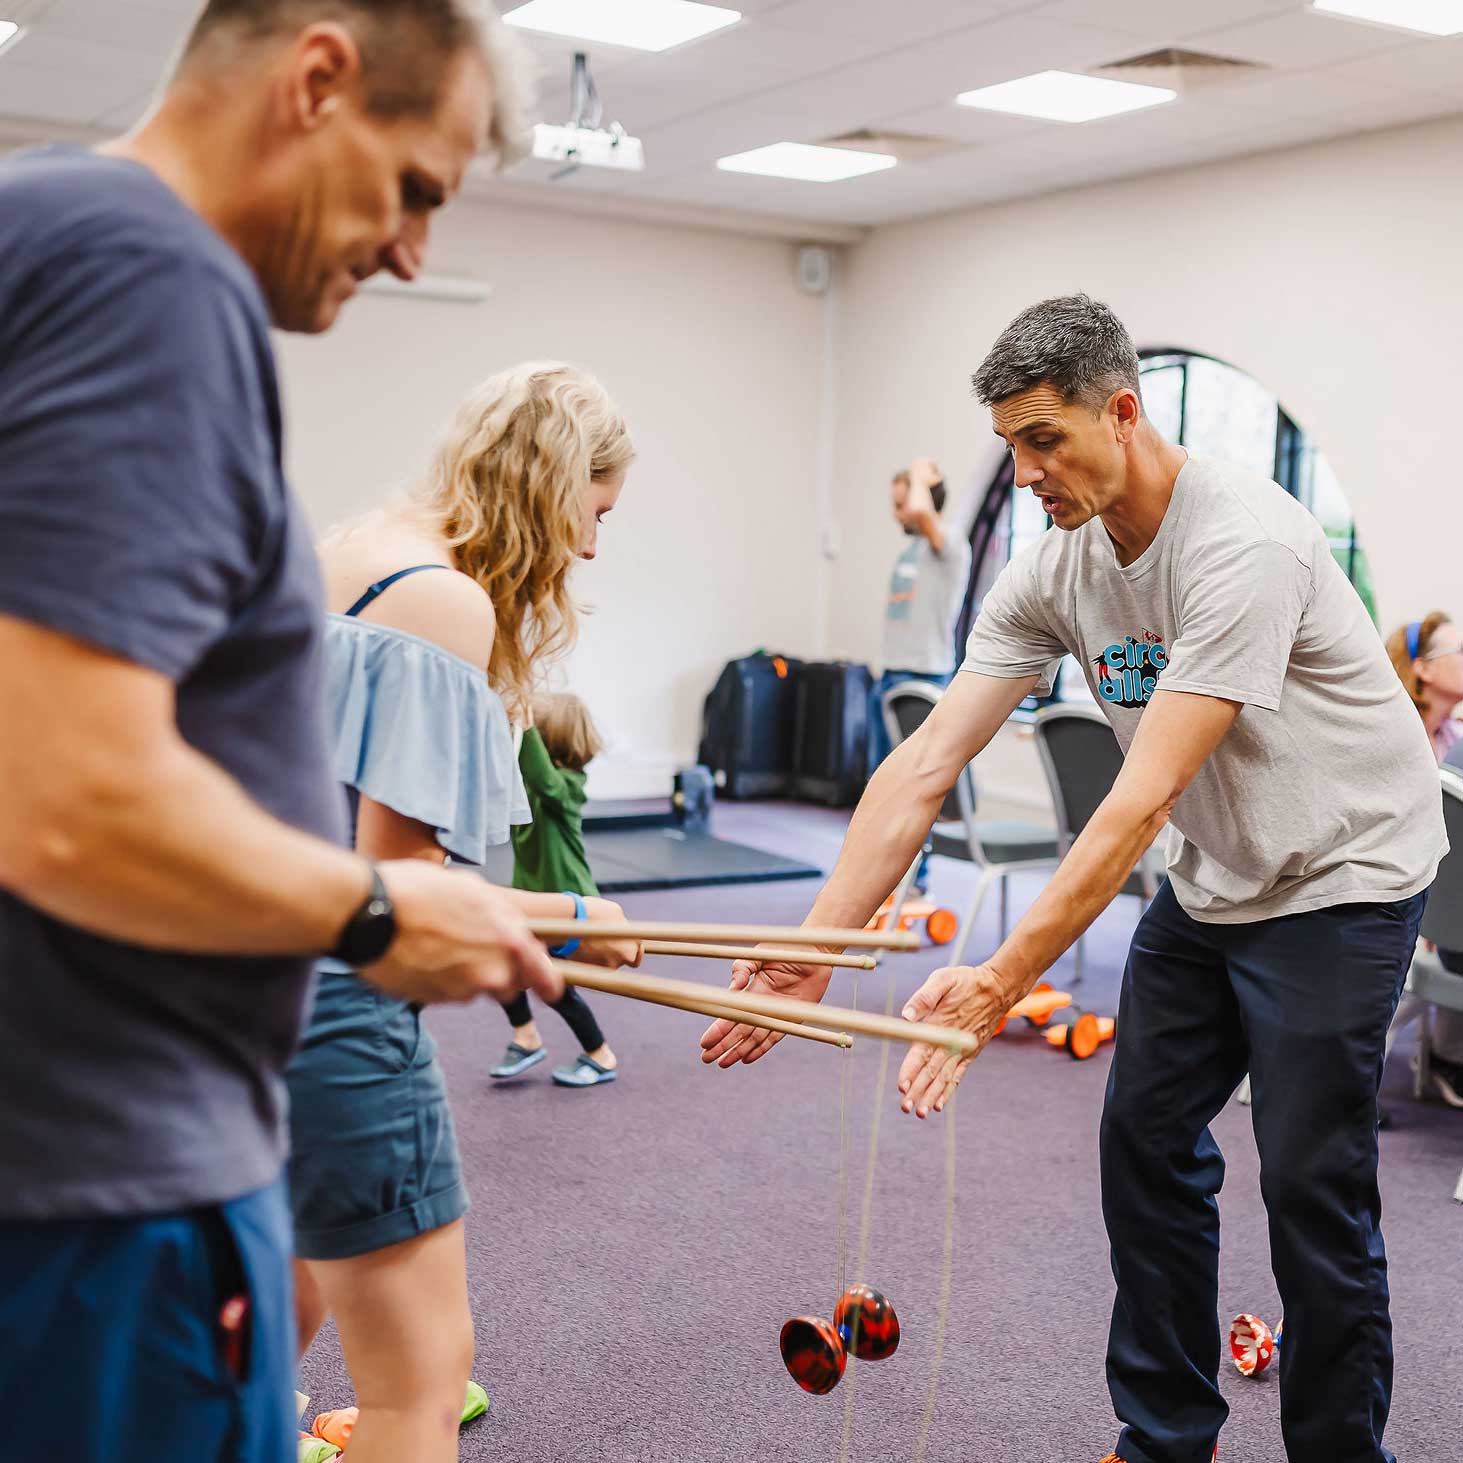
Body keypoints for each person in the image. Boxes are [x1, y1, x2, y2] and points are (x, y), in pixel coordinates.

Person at [702, 295, 1443, 1463]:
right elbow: (924, 760)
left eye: (1044, 438)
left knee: (1309, 1177)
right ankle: (1161, 1436)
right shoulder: (1053, 568)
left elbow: (1135, 796)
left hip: (1339, 874)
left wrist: (1000, 978)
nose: (1026, 470)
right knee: (1142, 1140)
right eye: (1010, 445)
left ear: (1123, 408)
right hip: (1214, 876)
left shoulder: (1239, 541)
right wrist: (815, 942)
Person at [0, 5, 566, 1461]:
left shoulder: (37, 222)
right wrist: (374, 906)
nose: (408, 250)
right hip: (99, 1177)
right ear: (317, 79)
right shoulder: (146, 274)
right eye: (415, 187)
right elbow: (60, 794)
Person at [290, 363, 640, 1460]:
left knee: (256, 1326)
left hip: (249, 983)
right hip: (338, 1006)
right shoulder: (440, 597)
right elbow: (400, 898)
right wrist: (577, 910)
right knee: (420, 1388)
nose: (590, 548)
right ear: (552, 484)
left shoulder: (349, 547)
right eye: (595, 511)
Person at [491, 691, 622, 1088]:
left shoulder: (568, 787)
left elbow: (545, 780)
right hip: (534, 903)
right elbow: (514, 770)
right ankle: (526, 1037)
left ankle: (601, 1054)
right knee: (507, 968)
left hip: (572, 905)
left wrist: (526, 727)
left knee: (554, 985)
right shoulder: (528, 787)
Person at [1386, 612, 1463, 1105]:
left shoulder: (1453, 741)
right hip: (1397, 894)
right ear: (1424, 669)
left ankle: (1445, 1057)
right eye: (1459, 653)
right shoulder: (1390, 735)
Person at [867, 459, 972, 771]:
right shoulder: (912, 549)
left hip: (923, 675)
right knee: (881, 776)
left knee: (914, 777)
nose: (896, 513)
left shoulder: (950, 543)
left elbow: (920, 512)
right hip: (891, 673)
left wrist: (917, 476)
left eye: (900, 504)